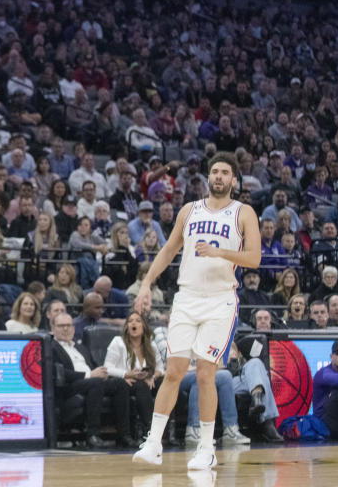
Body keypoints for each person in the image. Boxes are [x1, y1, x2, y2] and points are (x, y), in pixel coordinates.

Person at [133, 152, 261, 471]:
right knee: (174, 370)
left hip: (221, 300)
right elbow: (169, 249)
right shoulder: (189, 211)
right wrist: (147, 283)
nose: (218, 176)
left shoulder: (243, 213)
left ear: (234, 180)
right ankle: (153, 443)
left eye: (224, 172)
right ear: (209, 177)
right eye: (214, 171)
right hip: (187, 296)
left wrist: (220, 251)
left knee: (206, 373)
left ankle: (207, 447)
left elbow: (255, 258)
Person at [49, 311, 135, 448]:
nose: (66, 328)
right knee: (96, 382)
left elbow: (95, 366)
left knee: (120, 383)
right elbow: (59, 372)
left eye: (68, 325)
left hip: (92, 381)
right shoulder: (51, 347)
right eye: (61, 326)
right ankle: (93, 434)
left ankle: (124, 435)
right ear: (53, 328)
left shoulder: (81, 347)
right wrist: (89, 375)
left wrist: (104, 373)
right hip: (70, 386)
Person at [104, 311, 163, 438]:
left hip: (147, 381)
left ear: (144, 326)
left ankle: (168, 432)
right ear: (126, 327)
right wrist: (126, 374)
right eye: (130, 321)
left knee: (164, 383)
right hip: (126, 383)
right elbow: (107, 368)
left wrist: (152, 376)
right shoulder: (118, 342)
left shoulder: (151, 345)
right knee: (142, 386)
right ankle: (149, 431)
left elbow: (160, 368)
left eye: (137, 321)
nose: (134, 323)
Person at [226, 343, 283, 442]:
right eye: (227, 351)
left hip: (244, 381)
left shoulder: (245, 364)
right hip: (227, 381)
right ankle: (267, 422)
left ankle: (257, 397)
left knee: (256, 362)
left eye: (232, 350)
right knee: (261, 377)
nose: (231, 353)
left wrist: (239, 364)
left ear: (239, 354)